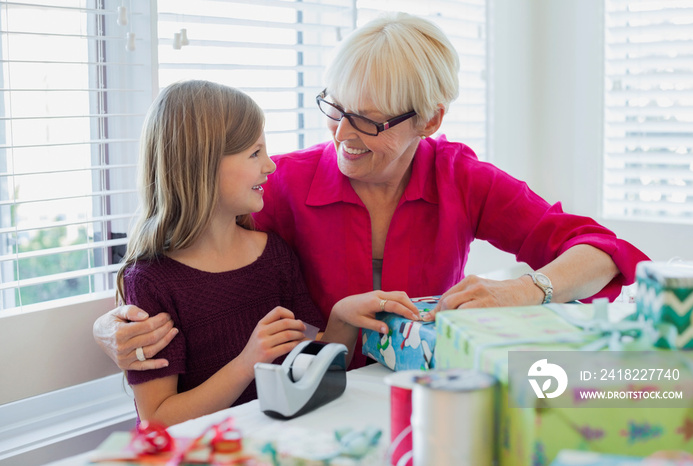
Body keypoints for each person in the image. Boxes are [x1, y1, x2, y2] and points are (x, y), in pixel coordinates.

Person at [94, 12, 649, 374]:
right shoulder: (284, 183)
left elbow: (602, 251)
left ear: (428, 120)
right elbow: (182, 254)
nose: (342, 135)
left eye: (367, 121)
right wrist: (112, 323)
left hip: (417, 393)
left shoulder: (460, 177)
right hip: (316, 396)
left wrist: (530, 289)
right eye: (335, 109)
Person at [117, 79, 419, 426]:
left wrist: (341, 317)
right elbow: (157, 419)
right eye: (254, 153)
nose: (270, 166)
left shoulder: (272, 254)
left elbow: (312, 362)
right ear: (203, 164)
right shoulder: (151, 281)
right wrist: (249, 362)